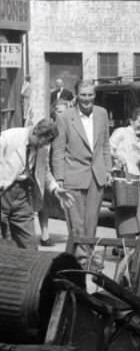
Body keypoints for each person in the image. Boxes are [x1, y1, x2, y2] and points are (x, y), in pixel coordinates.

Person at [51, 79, 112, 264]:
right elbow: (59, 150)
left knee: (91, 222)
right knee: (76, 224)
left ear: (95, 95)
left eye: (90, 95)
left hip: (97, 176)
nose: (87, 99)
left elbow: (105, 145)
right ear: (77, 96)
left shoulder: (101, 114)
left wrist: (108, 169)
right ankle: (80, 260)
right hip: (73, 175)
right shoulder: (64, 117)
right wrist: (59, 178)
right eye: (83, 95)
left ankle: (88, 256)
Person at [0, 120, 73, 250]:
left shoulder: (43, 146)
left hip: (23, 195)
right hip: (4, 192)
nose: (42, 146)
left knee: (29, 244)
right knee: (3, 243)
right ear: (35, 131)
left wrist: (55, 189)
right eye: (41, 142)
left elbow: (44, 171)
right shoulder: (9, 137)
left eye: (46, 144)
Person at [109, 107, 140, 236]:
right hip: (123, 174)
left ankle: (134, 241)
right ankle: (123, 240)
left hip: (135, 175)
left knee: (136, 209)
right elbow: (109, 148)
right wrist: (118, 157)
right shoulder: (121, 132)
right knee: (125, 208)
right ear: (131, 121)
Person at [37, 98, 71, 246]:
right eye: (58, 112)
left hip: (64, 167)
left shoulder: (71, 127)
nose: (61, 115)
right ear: (53, 112)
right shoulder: (49, 128)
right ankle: (45, 233)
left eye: (64, 111)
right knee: (43, 202)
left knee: (66, 201)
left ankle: (73, 234)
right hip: (46, 165)